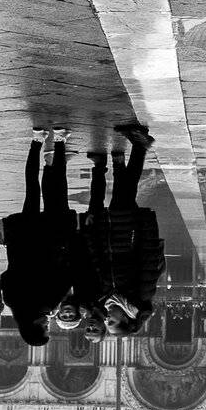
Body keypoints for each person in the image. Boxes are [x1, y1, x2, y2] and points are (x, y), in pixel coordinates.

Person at [79, 123, 163, 336]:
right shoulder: (141, 295)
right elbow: (149, 259)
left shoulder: (107, 295)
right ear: (125, 317)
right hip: (131, 234)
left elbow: (98, 261)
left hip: (111, 233)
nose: (107, 319)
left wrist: (90, 233)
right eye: (112, 323)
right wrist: (147, 228)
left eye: (106, 324)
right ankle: (139, 145)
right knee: (122, 198)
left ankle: (135, 148)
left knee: (124, 195)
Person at [0, 131, 76, 346]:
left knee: (58, 191)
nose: (47, 324)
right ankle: (36, 141)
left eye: (43, 327)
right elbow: (5, 277)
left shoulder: (49, 303)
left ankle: (59, 141)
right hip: (23, 239)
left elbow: (67, 276)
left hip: (51, 239)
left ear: (33, 326)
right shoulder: (12, 302)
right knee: (31, 189)